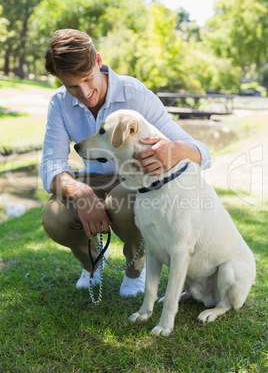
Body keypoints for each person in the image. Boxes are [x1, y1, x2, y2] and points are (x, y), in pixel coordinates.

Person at [40, 29, 211, 297]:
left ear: (97, 61)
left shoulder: (135, 94)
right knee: (55, 216)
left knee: (120, 203)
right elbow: (51, 164)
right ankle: (93, 262)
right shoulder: (59, 104)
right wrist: (80, 192)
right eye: (72, 85)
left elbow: (203, 153)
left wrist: (176, 150)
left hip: (135, 180)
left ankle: (135, 270)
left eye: (87, 79)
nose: (84, 92)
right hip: (92, 179)